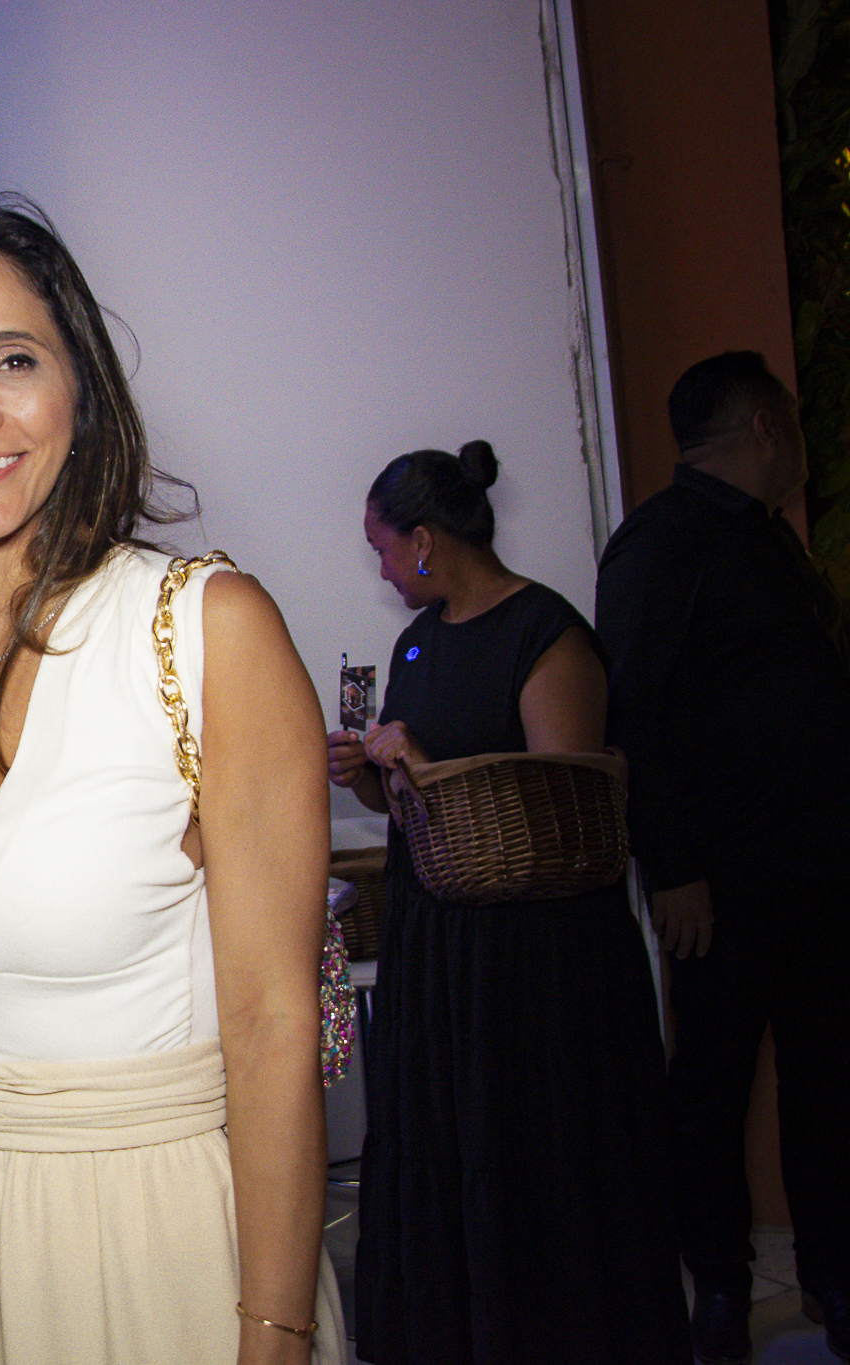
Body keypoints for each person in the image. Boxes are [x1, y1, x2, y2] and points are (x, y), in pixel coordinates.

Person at [0, 197, 343, 1365]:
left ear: (80, 390)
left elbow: (272, 1026)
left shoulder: (203, 629)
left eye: (13, 359)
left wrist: (273, 1336)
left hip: (158, 1239)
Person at [327, 441, 689, 1363]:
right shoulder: (418, 641)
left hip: (536, 960)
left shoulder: (549, 635)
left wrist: (419, 761)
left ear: (423, 540)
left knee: (536, 1156)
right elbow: (413, 805)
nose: (379, 569)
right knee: (448, 1151)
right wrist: (368, 771)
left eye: (380, 549)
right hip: (439, 945)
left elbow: (555, 809)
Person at [596, 351, 850, 1365]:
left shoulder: (768, 538)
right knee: (709, 1086)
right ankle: (718, 1286)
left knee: (826, 1078)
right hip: (720, 881)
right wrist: (671, 870)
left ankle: (832, 1272)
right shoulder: (660, 541)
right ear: (764, 427)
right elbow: (630, 712)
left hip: (817, 868)